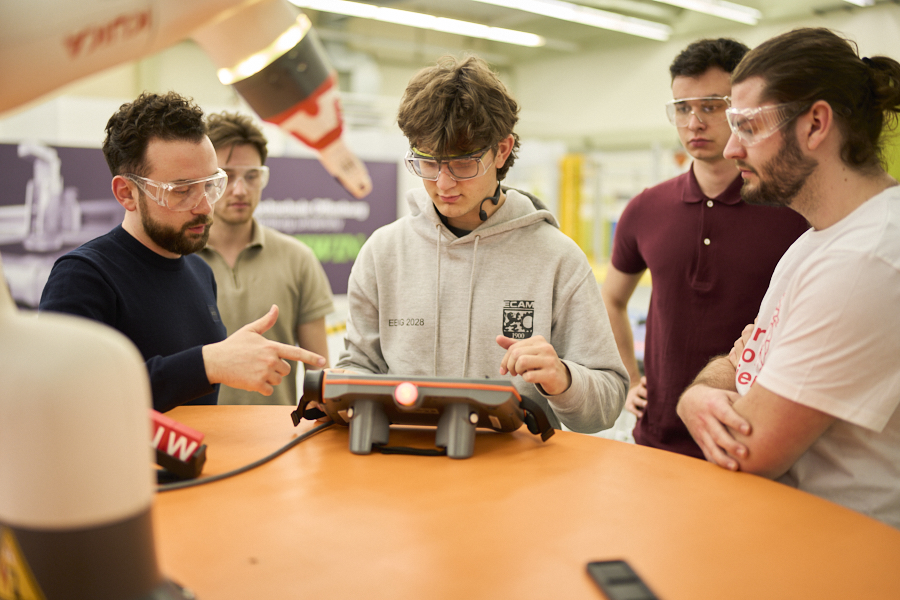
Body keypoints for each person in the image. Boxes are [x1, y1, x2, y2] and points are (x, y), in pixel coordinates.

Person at [676, 28, 900, 528]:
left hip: (854, 553)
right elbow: (744, 361)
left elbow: (748, 446)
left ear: (816, 124)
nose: (732, 148)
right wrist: (700, 394)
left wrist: (699, 397)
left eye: (749, 126)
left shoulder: (866, 258)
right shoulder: (816, 241)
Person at [335, 55, 628, 433]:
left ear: (502, 151)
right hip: (404, 474)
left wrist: (563, 379)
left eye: (462, 164)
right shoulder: (383, 253)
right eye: (428, 162)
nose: (443, 183)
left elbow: (605, 406)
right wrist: (342, 395)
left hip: (517, 482)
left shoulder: (557, 259)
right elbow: (356, 369)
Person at [39, 91, 326, 412]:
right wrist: (208, 363)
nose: (204, 207)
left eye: (209, 185)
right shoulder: (83, 276)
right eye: (181, 191)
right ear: (127, 193)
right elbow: (67, 396)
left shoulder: (199, 272)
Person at [601, 38, 809, 458]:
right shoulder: (645, 208)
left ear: (742, 108)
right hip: (656, 436)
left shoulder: (792, 210)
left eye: (711, 105)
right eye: (682, 107)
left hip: (748, 437)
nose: (694, 122)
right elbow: (612, 298)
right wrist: (630, 377)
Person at [199, 111, 334, 406]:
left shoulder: (297, 259)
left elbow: (319, 369)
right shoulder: (176, 260)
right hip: (195, 440)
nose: (239, 190)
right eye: (226, 176)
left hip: (279, 440)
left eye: (251, 176)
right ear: (206, 180)